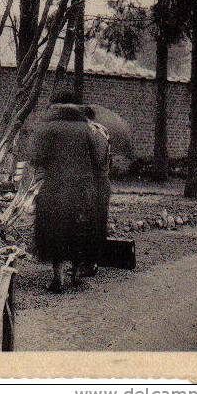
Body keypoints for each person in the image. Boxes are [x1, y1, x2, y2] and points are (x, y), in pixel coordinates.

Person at [31, 91, 108, 293]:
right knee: (78, 228)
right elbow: (99, 159)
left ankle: (58, 278)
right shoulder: (87, 129)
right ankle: (74, 273)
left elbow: (36, 157)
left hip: (55, 188)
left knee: (55, 230)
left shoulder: (49, 128)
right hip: (82, 190)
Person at [82, 105, 112, 277]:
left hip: (96, 182)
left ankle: (91, 262)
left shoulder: (94, 133)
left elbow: (98, 160)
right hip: (101, 180)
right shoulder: (103, 131)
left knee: (94, 222)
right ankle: (90, 260)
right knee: (94, 221)